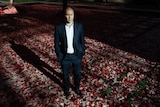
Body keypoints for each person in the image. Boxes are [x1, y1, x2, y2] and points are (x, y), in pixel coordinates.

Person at [54, 7, 85, 98]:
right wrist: (59, 54)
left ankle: (77, 88)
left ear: (74, 15)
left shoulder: (79, 26)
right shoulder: (59, 27)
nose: (69, 17)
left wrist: (82, 51)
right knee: (65, 75)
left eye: (71, 15)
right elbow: (56, 42)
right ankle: (67, 89)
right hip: (65, 56)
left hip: (76, 55)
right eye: (67, 15)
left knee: (77, 74)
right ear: (64, 16)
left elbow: (82, 40)